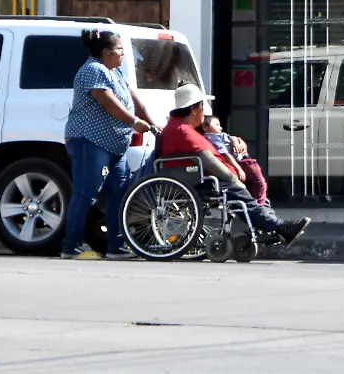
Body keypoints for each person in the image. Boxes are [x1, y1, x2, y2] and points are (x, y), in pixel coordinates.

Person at [162, 84, 309, 245]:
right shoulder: (183, 131)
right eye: (203, 106)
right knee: (239, 191)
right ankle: (277, 226)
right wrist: (233, 178)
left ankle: (273, 227)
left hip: (204, 177)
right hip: (203, 180)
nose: (205, 111)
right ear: (193, 109)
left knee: (255, 189)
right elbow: (207, 159)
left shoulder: (183, 128)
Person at [62, 28, 162, 261]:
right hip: (90, 142)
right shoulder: (93, 70)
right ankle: (70, 246)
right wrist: (134, 122)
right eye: (120, 49)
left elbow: (134, 100)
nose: (123, 54)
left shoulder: (114, 71)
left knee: (119, 193)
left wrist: (152, 123)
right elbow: (108, 102)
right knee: (85, 193)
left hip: (115, 145)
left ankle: (116, 247)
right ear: (107, 52)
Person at [200, 115, 268, 206]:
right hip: (243, 161)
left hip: (242, 159)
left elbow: (232, 138)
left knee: (257, 184)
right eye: (216, 125)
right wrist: (238, 168)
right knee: (260, 183)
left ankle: (258, 203)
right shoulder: (212, 137)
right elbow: (225, 154)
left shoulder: (219, 135)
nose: (220, 127)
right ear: (205, 127)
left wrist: (236, 141)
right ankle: (260, 205)